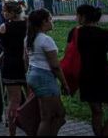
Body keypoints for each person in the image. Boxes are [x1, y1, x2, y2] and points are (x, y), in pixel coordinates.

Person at [71, 4, 108, 136]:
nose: (76, 17)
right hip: (103, 75)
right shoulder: (105, 34)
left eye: (77, 15)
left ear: (83, 16)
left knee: (96, 111)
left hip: (85, 76)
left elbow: (69, 54)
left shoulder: (75, 32)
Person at [25, 8, 69, 136]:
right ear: (44, 22)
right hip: (44, 78)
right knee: (53, 115)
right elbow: (55, 66)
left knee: (50, 115)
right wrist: (64, 84)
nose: (52, 21)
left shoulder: (29, 38)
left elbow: (25, 60)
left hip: (33, 74)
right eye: (50, 19)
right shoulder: (46, 40)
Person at [0, 0, 27, 136]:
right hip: (27, 64)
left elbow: (3, 45)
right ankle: (32, 127)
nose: (3, 13)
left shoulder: (4, 27)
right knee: (32, 99)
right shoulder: (28, 25)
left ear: (11, 12)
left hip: (10, 65)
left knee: (13, 101)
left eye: (4, 11)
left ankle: (12, 132)